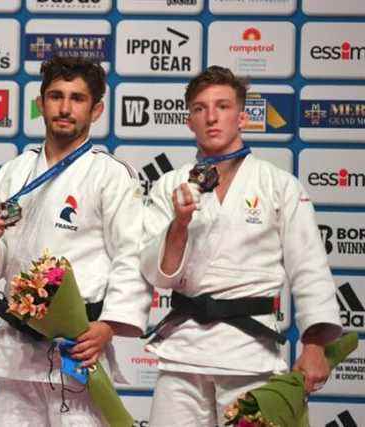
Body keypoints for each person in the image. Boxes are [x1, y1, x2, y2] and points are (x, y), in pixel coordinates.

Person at [140, 65, 342, 426]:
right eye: (200, 108)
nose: (211, 117)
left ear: (242, 117)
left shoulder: (279, 185)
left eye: (223, 106)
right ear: (189, 121)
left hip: (249, 352)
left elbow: (309, 269)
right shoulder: (170, 185)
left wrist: (314, 346)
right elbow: (158, 274)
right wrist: (180, 224)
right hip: (183, 352)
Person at [0, 56, 150, 426]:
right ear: (41, 102)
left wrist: (108, 327)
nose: (65, 107)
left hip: (78, 348)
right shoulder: (13, 172)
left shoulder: (110, 175)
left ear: (96, 109)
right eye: (55, 96)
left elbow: (131, 257)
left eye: (77, 98)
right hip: (18, 350)